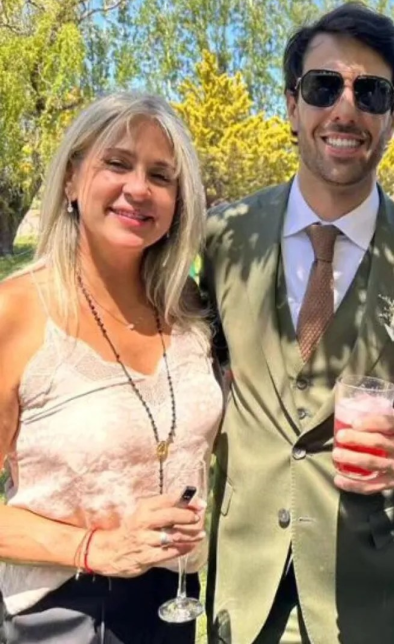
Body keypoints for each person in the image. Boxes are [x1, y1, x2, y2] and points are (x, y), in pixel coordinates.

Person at [202, 2, 394, 644]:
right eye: (324, 87)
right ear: (292, 104)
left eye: (371, 92)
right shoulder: (223, 236)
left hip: (369, 589)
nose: (345, 110)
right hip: (241, 576)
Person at [0, 93, 223, 643]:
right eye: (117, 163)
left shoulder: (188, 309)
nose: (139, 188)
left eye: (161, 175)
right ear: (71, 180)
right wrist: (95, 548)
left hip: (173, 601)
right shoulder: (18, 311)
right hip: (64, 612)